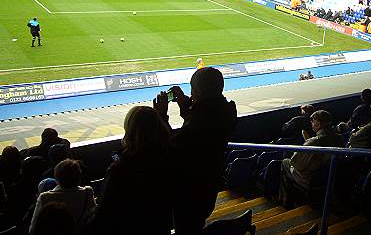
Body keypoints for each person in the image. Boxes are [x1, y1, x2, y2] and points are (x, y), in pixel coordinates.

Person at [153, 67, 237, 234]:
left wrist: (161, 116)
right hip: (210, 185)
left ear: (197, 91)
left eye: (193, 90)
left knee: (187, 228)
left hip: (190, 193)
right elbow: (206, 115)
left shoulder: (197, 124)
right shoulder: (227, 111)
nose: (191, 94)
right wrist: (186, 104)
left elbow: (170, 148)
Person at [89, 106, 172, 235]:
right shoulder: (169, 158)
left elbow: (104, 214)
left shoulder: (120, 169)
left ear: (129, 130)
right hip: (160, 227)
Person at [279, 110, 344, 207]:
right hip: (330, 177)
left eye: (312, 121)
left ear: (317, 124)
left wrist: (307, 143)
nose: (311, 123)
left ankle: (285, 201)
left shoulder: (313, 143)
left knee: (285, 162)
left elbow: (295, 163)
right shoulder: (339, 138)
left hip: (312, 179)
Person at [29, 159, 95, 234]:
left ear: (56, 178)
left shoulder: (45, 197)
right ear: (79, 177)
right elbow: (93, 218)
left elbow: (33, 229)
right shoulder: (88, 192)